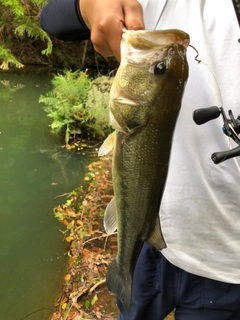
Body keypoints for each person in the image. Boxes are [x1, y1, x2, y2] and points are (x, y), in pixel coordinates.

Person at [40, 1, 240, 319]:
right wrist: (90, 5)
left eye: (158, 69)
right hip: (154, 239)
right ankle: (125, 269)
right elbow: (53, 18)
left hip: (229, 264)